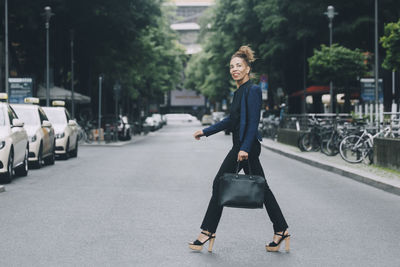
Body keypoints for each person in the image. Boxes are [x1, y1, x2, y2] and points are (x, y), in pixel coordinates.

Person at [189, 46, 290, 253]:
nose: (234, 69)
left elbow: (254, 122)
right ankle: (281, 230)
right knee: (261, 188)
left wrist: (244, 149)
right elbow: (231, 120)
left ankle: (207, 231)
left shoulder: (252, 90)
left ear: (247, 69)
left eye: (238, 66)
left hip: (246, 147)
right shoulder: (238, 92)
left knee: (219, 184)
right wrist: (206, 131)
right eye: (232, 66)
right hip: (242, 145)